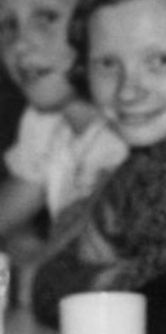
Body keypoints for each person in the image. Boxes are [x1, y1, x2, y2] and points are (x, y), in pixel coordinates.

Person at [31, 0, 166, 334]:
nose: (128, 90)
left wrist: (89, 269)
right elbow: (49, 284)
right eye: (108, 63)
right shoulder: (147, 161)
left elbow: (111, 307)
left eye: (159, 61)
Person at [0, 0, 128, 300]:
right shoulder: (45, 120)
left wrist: (35, 260)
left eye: (46, 17)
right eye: (7, 25)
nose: (20, 45)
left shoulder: (129, 130)